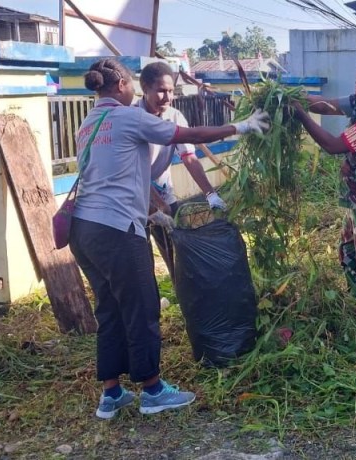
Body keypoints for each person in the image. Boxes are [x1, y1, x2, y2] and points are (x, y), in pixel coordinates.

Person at [69, 57, 269, 419]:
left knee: (110, 309)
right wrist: (239, 127)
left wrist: (189, 199)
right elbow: (185, 136)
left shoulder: (89, 122)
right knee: (143, 307)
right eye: (133, 85)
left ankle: (111, 394)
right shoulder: (129, 116)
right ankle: (152, 390)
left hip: (84, 231)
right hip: (116, 230)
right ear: (124, 87)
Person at [291, 56, 356, 314]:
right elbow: (326, 106)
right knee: (350, 258)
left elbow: (334, 146)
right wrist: (293, 95)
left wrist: (301, 115)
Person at [136, 61, 227, 277]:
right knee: (141, 257)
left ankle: (181, 290)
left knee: (173, 250)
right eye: (161, 91)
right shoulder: (132, 118)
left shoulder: (174, 116)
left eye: (171, 91)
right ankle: (151, 302)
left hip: (163, 189)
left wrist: (210, 194)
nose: (167, 98)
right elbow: (133, 173)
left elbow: (189, 157)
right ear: (145, 89)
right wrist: (154, 206)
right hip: (134, 196)